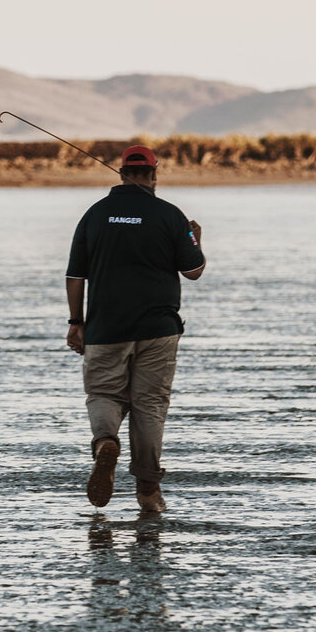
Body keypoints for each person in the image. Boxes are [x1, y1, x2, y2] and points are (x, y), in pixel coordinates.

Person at [64, 144, 205, 515]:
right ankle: (147, 491)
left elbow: (75, 276)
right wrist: (195, 239)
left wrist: (76, 322)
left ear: (121, 172)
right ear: (154, 173)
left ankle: (105, 444)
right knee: (150, 407)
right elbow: (193, 271)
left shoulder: (95, 215)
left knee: (103, 394)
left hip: (106, 327)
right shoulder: (171, 215)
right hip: (159, 329)